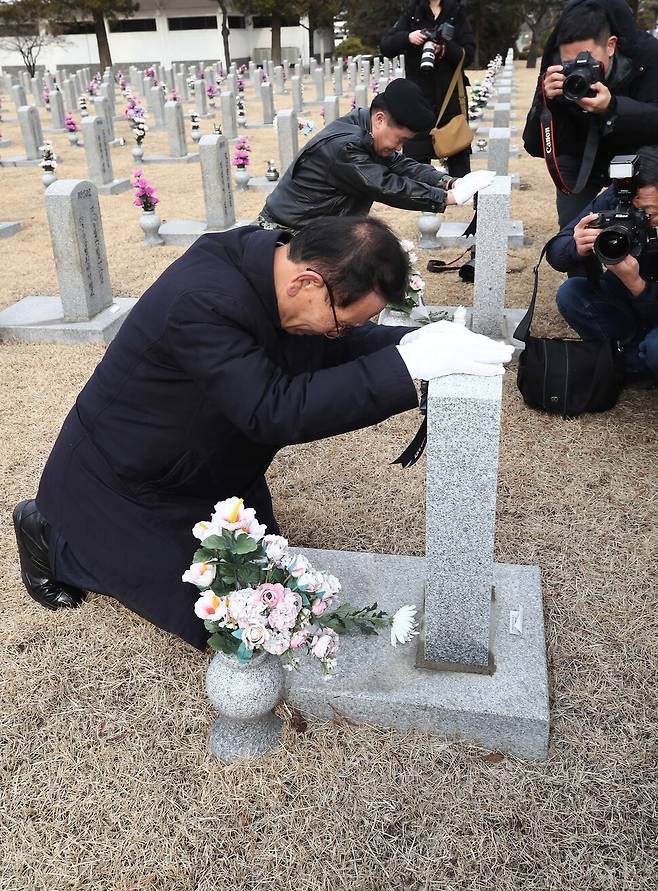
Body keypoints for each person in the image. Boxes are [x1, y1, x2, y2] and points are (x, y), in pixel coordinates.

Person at [14, 217, 512, 650]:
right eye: (340, 323)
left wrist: (414, 341)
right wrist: (403, 367)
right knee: (225, 620)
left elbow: (337, 346)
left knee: (267, 584)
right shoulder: (203, 300)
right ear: (308, 282)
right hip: (128, 481)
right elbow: (271, 409)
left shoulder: (276, 274)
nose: (340, 334)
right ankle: (51, 538)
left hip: (209, 463)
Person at [257, 77, 494, 233]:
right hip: (285, 233)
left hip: (319, 228)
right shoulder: (346, 146)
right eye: (400, 139)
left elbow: (402, 165)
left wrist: (451, 181)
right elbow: (385, 186)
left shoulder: (368, 131)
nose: (399, 147)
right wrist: (447, 198)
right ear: (380, 119)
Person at [523, 0, 658, 226]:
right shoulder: (555, 65)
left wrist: (612, 108)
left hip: (636, 148)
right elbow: (534, 145)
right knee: (571, 230)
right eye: (569, 63)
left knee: (641, 221)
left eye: (586, 59)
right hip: (580, 150)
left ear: (611, 45)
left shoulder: (646, 54)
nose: (577, 68)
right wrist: (550, 102)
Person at [547, 145, 658, 385]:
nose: (638, 219)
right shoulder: (618, 195)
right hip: (625, 300)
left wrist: (638, 285)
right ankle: (632, 359)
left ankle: (630, 359)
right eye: (632, 211)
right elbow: (556, 252)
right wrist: (574, 246)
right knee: (572, 293)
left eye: (649, 214)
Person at [380, 0, 476, 177]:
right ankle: (425, 209)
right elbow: (386, 46)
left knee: (458, 158)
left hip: (449, 97)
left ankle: (468, 204)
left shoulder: (457, 13)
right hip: (418, 97)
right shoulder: (412, 13)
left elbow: (469, 53)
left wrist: (445, 48)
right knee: (416, 162)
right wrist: (409, 38)